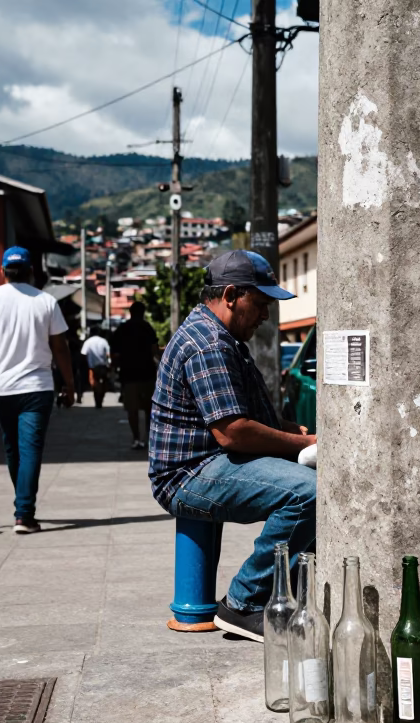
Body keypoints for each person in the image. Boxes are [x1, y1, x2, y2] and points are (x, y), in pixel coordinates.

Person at [148, 249, 316, 642]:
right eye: (259, 303)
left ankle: (289, 593)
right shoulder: (208, 343)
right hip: (188, 474)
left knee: (315, 481)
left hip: (213, 461)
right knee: (310, 492)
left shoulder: (223, 336)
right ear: (230, 296)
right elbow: (234, 432)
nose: (265, 315)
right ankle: (244, 603)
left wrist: (296, 432)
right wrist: (303, 442)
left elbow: (250, 417)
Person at [0, 246, 75, 533]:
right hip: (37, 387)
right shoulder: (46, 301)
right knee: (30, 449)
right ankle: (24, 513)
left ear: (2, 271)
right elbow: (60, 347)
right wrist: (70, 383)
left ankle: (23, 505)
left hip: (0, 388)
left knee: (12, 448)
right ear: (31, 271)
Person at [111, 301, 160, 450]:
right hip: (147, 374)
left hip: (128, 375)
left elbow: (115, 354)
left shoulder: (122, 328)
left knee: (132, 410)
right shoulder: (147, 327)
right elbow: (154, 350)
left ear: (131, 312)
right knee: (149, 409)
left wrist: (115, 369)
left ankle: (136, 438)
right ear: (143, 312)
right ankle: (148, 438)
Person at [81, 326, 111, 408]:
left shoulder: (88, 342)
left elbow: (83, 354)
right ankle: (101, 399)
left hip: (92, 367)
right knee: (104, 383)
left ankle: (97, 400)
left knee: (94, 383)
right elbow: (108, 354)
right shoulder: (103, 341)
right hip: (103, 366)